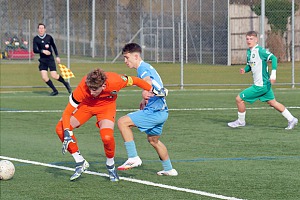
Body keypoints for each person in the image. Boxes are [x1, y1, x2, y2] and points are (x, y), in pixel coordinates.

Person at [55, 68, 153, 182]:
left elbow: (136, 80)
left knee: (107, 137)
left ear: (104, 86)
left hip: (106, 107)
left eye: (95, 89)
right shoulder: (83, 87)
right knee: (60, 129)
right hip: (86, 106)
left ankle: (110, 166)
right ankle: (80, 161)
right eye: (90, 88)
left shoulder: (116, 81)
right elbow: (67, 112)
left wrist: (152, 89)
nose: (91, 92)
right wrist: (67, 131)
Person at [117, 43, 178, 176]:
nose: (125, 61)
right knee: (153, 141)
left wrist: (145, 92)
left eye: (127, 58)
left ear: (136, 56)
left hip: (154, 112)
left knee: (122, 122)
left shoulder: (142, 68)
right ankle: (169, 169)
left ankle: (133, 157)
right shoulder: (147, 67)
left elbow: (148, 81)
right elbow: (154, 86)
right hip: (162, 112)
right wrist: (144, 98)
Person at [228, 31, 298, 130]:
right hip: (265, 85)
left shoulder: (260, 51)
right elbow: (251, 65)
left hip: (260, 85)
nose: (249, 41)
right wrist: (245, 69)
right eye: (247, 39)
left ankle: (241, 121)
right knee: (273, 103)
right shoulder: (249, 52)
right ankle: (292, 119)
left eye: (251, 39)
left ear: (256, 40)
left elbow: (273, 58)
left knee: (239, 99)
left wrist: (273, 74)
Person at [33, 23, 71, 96]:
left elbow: (54, 47)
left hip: (50, 59)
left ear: (45, 29)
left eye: (42, 28)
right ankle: (55, 90)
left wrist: (57, 56)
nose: (41, 30)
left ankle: (66, 84)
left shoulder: (49, 37)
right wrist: (42, 51)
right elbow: (34, 50)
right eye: (40, 28)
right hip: (42, 60)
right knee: (44, 77)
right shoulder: (36, 39)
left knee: (54, 75)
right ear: (38, 29)